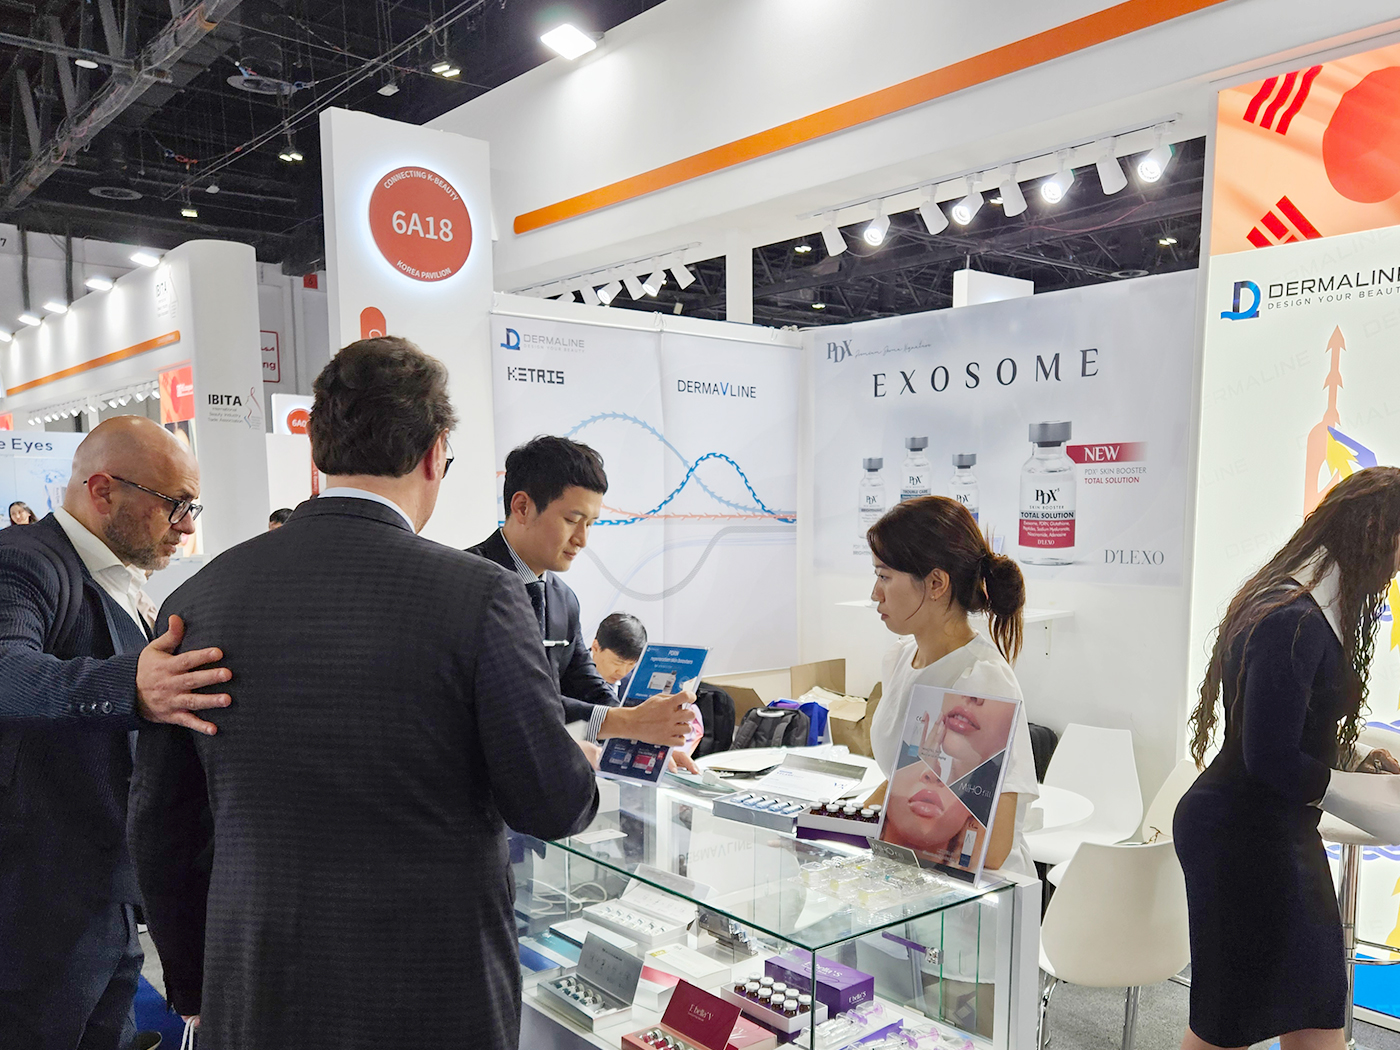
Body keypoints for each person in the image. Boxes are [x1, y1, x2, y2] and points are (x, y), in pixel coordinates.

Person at [129, 337, 599, 1050]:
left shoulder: (200, 599)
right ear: (435, 454)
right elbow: (551, 802)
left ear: (317, 449)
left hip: (258, 985)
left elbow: (163, 825)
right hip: (434, 990)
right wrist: (582, 761)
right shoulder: (481, 597)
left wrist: (195, 983)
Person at [0, 416, 232, 1049]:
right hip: (36, 911)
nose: (187, 526)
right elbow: (8, 672)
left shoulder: (116, 580)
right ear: (102, 491)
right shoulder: (22, 561)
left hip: (106, 898)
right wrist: (133, 686)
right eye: (174, 504)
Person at [1175, 467, 1400, 1050]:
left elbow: (1292, 729)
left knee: (1315, 1008)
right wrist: (1354, 793)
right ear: (1376, 535)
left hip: (1272, 828)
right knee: (1229, 1022)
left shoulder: (1304, 606)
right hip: (1240, 837)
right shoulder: (1292, 619)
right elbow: (1270, 756)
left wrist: (1360, 761)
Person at [468, 436, 697, 763]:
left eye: (590, 524)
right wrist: (629, 722)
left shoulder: (563, 599)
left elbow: (586, 683)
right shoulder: (468, 583)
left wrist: (643, 741)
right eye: (572, 520)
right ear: (522, 507)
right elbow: (517, 702)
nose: (582, 539)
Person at [864, 495, 1039, 876]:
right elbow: (899, 784)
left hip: (977, 889)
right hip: (915, 873)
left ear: (936, 583)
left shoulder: (982, 680)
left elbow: (993, 847)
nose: (875, 593)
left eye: (884, 576)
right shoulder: (899, 659)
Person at [592, 610, 648, 696]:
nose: (622, 673)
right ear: (596, 648)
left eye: (631, 664)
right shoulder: (571, 674)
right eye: (617, 662)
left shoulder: (637, 682)